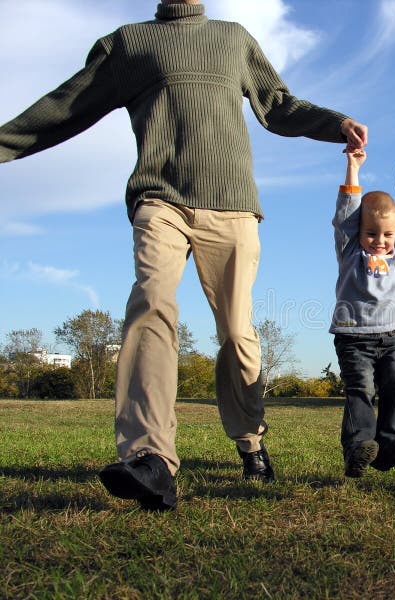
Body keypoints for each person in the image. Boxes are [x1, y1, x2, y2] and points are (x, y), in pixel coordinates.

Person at [0, 0, 368, 511]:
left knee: (236, 331)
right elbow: (67, 106)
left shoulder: (232, 37)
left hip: (233, 204)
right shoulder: (129, 44)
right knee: (151, 302)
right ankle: (150, 458)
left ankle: (250, 442)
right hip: (159, 199)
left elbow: (278, 104)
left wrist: (336, 122)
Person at [331, 148, 395, 477]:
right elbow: (346, 215)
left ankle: (390, 444)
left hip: (390, 337)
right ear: (358, 232)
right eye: (371, 233)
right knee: (361, 391)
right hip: (352, 336)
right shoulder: (349, 249)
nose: (380, 241)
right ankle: (357, 447)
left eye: (387, 234)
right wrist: (353, 168)